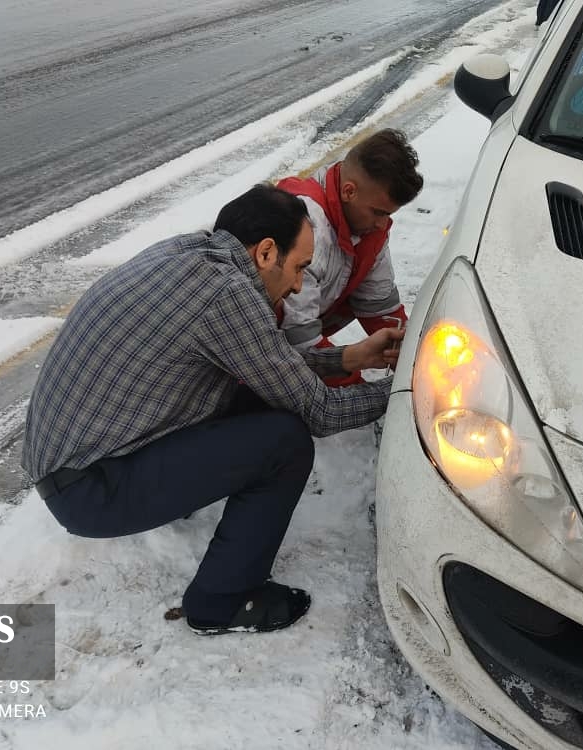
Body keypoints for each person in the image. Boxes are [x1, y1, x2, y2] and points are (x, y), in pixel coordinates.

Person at [21, 184, 403, 636]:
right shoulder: (225, 293)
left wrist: (348, 358)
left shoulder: (192, 255)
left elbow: (265, 363)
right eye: (299, 267)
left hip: (79, 462)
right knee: (284, 443)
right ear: (265, 253)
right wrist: (405, 392)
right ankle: (221, 600)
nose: (300, 283)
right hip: (89, 490)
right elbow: (318, 412)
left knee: (260, 395)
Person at [276, 128, 423, 385]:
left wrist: (418, 357)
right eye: (378, 212)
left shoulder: (368, 229)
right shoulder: (305, 231)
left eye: (389, 214)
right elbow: (299, 345)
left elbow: (380, 309)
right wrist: (360, 391)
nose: (382, 224)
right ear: (348, 191)